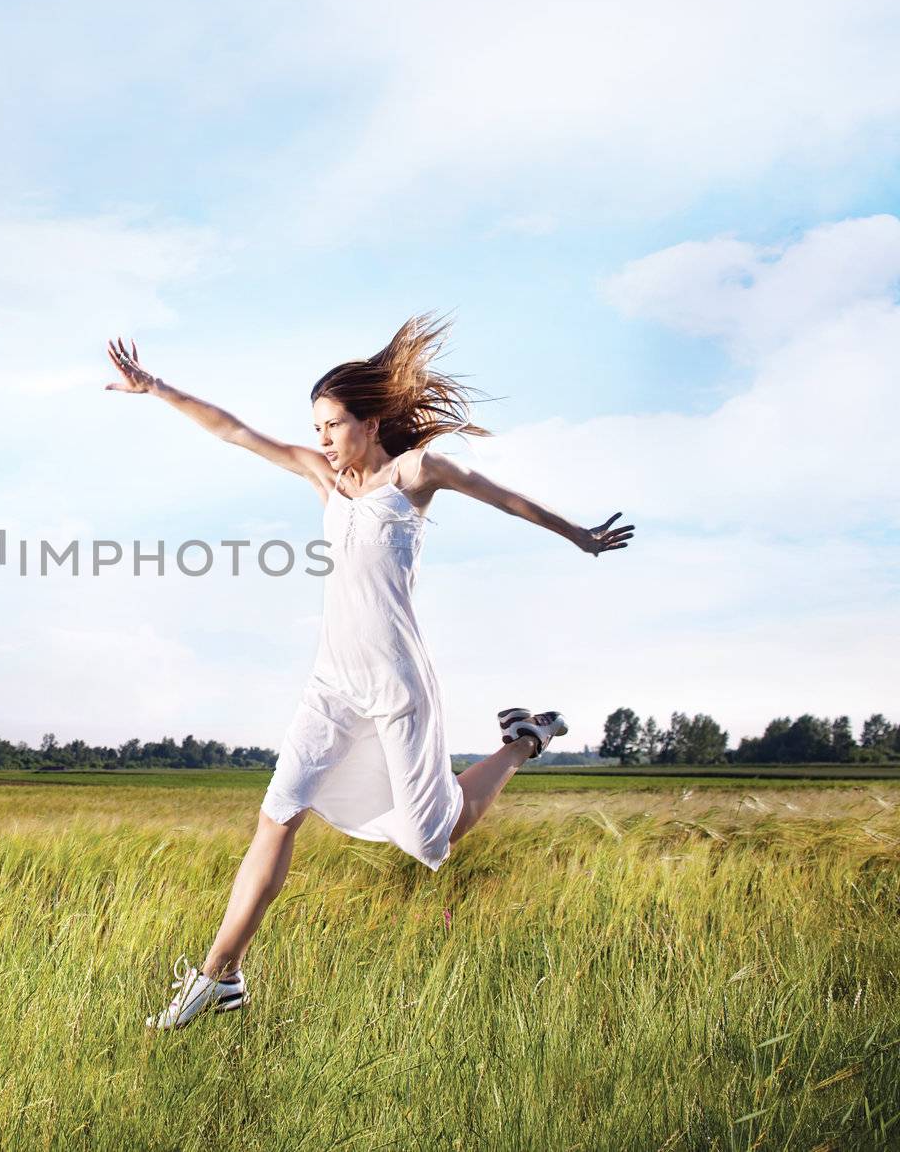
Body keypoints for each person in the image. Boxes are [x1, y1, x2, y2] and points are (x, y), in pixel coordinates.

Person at [102, 313, 635, 1031]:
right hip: (331, 687)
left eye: (331, 425)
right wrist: (156, 387)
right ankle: (216, 977)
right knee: (277, 818)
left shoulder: (413, 475)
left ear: (371, 419)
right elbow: (233, 431)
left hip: (396, 690)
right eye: (316, 427)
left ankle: (523, 739)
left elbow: (500, 495)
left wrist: (578, 535)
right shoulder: (324, 478)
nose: (320, 439)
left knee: (435, 838)